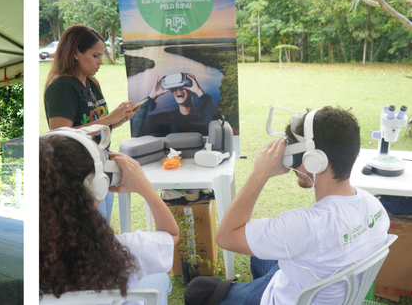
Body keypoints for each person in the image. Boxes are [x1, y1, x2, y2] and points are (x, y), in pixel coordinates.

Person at [189, 107, 390, 305]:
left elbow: (226, 237)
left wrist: (260, 173)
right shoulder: (375, 206)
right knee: (257, 256)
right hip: (323, 286)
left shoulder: (305, 227)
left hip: (288, 297)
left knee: (198, 289)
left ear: (315, 160)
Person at [39, 131, 177, 305]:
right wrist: (146, 189)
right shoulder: (126, 250)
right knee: (159, 278)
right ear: (96, 189)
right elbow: (171, 236)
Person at [44, 25, 138, 223]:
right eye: (96, 55)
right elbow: (60, 136)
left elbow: (97, 126)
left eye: (101, 56)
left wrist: (119, 118)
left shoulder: (92, 83)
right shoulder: (62, 86)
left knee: (103, 225)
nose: (101, 62)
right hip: (78, 171)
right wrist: (110, 119)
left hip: (100, 163)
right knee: (91, 230)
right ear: (76, 52)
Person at [134, 72, 220, 137]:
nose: (178, 90)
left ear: (192, 91)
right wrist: (151, 97)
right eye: (174, 88)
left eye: (183, 87)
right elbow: (137, 124)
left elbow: (216, 124)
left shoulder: (204, 115)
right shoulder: (166, 118)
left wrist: (200, 92)